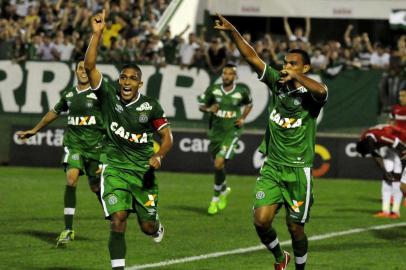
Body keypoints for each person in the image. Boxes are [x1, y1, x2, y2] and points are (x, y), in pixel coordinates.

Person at [215, 14, 328, 270]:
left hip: (299, 170)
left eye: (293, 64)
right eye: (285, 62)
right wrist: (233, 31)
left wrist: (296, 78)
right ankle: (280, 258)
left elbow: (322, 91)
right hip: (273, 166)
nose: (286, 66)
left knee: (295, 227)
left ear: (305, 69)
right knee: (261, 220)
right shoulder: (276, 82)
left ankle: (300, 267)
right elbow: (252, 57)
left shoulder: (311, 93)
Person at [84, 10, 173, 270]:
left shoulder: (150, 107)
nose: (126, 82)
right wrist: (97, 34)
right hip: (114, 169)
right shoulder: (108, 96)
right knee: (118, 218)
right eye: (123, 77)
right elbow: (89, 67)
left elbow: (167, 137)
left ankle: (155, 225)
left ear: (140, 84)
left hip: (142, 172)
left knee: (146, 227)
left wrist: (159, 154)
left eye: (132, 79)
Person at [17, 61, 105, 247]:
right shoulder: (70, 94)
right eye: (80, 69)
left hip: (95, 148)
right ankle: (68, 229)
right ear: (75, 71)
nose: (83, 72)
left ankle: (109, 208)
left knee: (96, 188)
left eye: (85, 69)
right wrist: (34, 130)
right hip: (74, 146)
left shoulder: (100, 94)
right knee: (71, 179)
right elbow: (54, 112)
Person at [198, 63, 253, 215]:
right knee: (218, 166)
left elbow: (249, 104)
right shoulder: (213, 90)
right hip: (216, 133)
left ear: (235, 76)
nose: (227, 76)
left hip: (232, 131)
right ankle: (224, 189)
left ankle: (215, 199)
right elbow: (201, 104)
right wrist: (209, 109)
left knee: (218, 162)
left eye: (230, 73)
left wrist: (242, 118)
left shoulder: (242, 91)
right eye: (225, 73)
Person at [356, 124, 406, 218]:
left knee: (396, 179)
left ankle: (395, 211)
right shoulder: (366, 139)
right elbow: (375, 155)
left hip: (402, 140)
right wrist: (385, 171)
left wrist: (401, 168)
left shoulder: (383, 137)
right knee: (387, 178)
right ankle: (385, 211)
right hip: (389, 147)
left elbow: (402, 148)